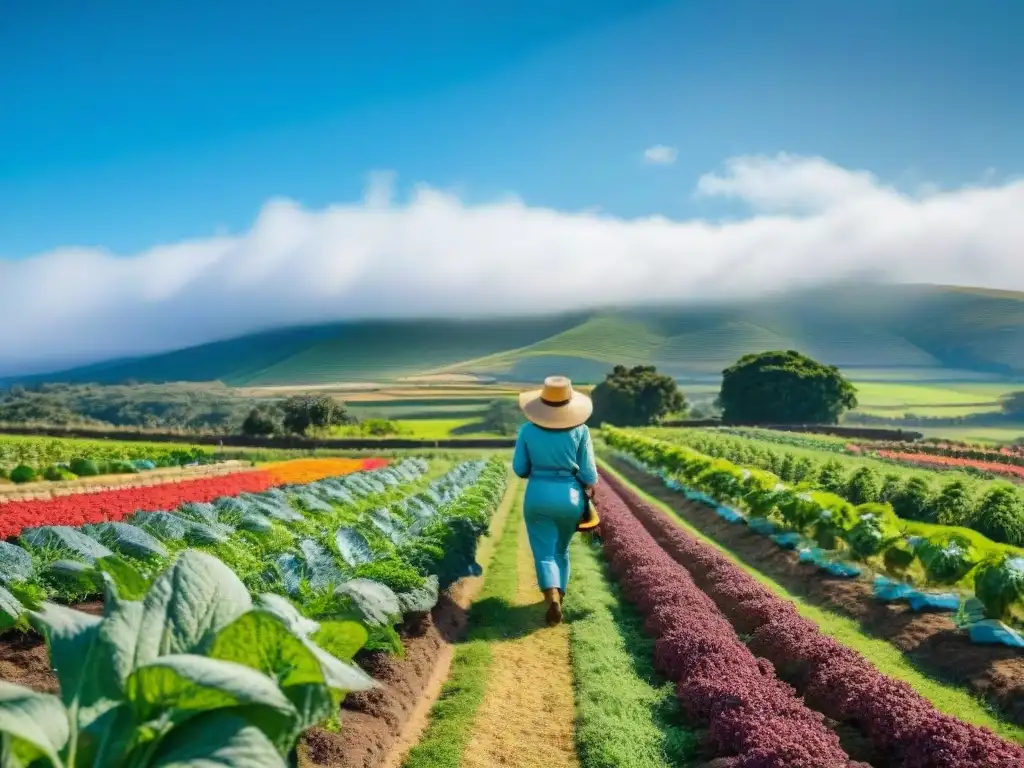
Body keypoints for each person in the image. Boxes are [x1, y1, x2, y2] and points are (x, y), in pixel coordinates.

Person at [512, 375, 598, 626]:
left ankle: (551, 595)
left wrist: (539, 470)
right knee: (561, 550)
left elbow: (519, 468)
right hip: (570, 498)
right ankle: (559, 593)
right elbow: (589, 475)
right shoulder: (581, 430)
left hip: (538, 495)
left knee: (543, 552)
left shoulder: (527, 430)